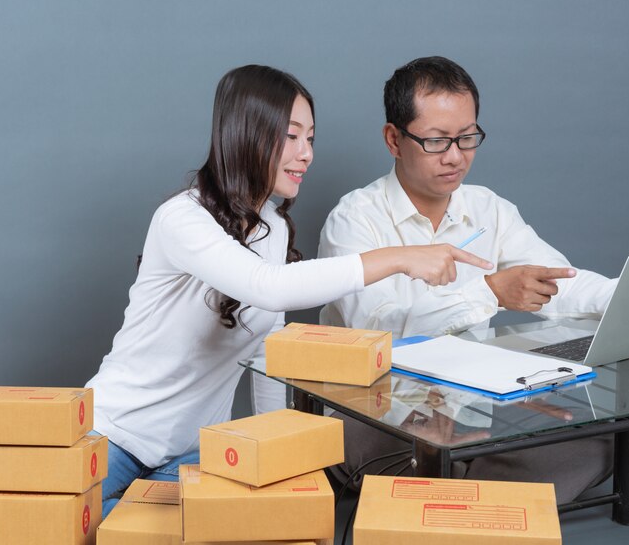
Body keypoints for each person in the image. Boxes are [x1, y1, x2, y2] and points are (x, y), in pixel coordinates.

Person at [86, 64, 492, 517]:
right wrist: (399, 256)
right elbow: (269, 288)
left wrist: (274, 449)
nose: (307, 154)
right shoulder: (182, 218)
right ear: (247, 134)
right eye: (292, 136)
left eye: (311, 138)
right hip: (113, 436)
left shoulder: (273, 229)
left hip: (192, 451)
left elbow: (265, 348)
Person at [317, 56, 629, 503]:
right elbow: (380, 330)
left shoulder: (489, 208)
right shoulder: (354, 220)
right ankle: (481, 499)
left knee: (600, 441)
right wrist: (489, 291)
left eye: (468, 138)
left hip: (474, 401)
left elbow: (559, 281)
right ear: (394, 139)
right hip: (379, 407)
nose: (455, 156)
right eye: (436, 141)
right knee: (393, 446)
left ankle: (452, 499)